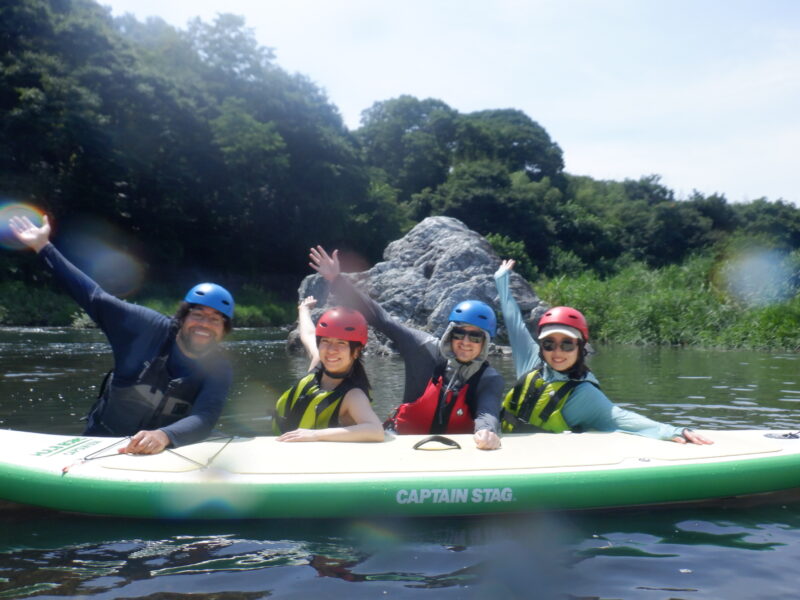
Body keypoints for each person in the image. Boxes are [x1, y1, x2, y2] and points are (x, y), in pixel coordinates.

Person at [9, 214, 235, 454]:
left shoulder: (219, 367)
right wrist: (43, 246)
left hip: (164, 452)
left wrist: (165, 436)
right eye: (197, 315)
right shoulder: (144, 328)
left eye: (215, 320)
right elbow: (94, 297)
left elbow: (205, 416)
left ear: (223, 330)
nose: (204, 325)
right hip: (102, 442)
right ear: (182, 318)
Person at [494, 259, 713, 444]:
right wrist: (501, 279)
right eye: (549, 344)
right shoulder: (531, 360)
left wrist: (672, 431)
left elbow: (621, 418)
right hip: (502, 447)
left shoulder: (584, 394)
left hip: (540, 464)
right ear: (541, 346)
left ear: (581, 347)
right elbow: (513, 320)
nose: (557, 352)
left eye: (567, 344)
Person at [309, 246, 504, 450]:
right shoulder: (424, 348)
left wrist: (488, 431)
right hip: (403, 444)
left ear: (485, 342)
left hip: (455, 450)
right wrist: (338, 280)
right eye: (459, 333)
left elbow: (487, 412)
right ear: (450, 334)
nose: (465, 341)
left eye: (474, 336)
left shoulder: (490, 379)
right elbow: (382, 319)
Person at [274, 297, 384, 442]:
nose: (331, 350)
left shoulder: (353, 396)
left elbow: (376, 431)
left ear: (356, 351)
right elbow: (308, 334)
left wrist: (314, 435)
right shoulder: (318, 364)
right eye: (325, 341)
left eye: (341, 343)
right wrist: (304, 309)